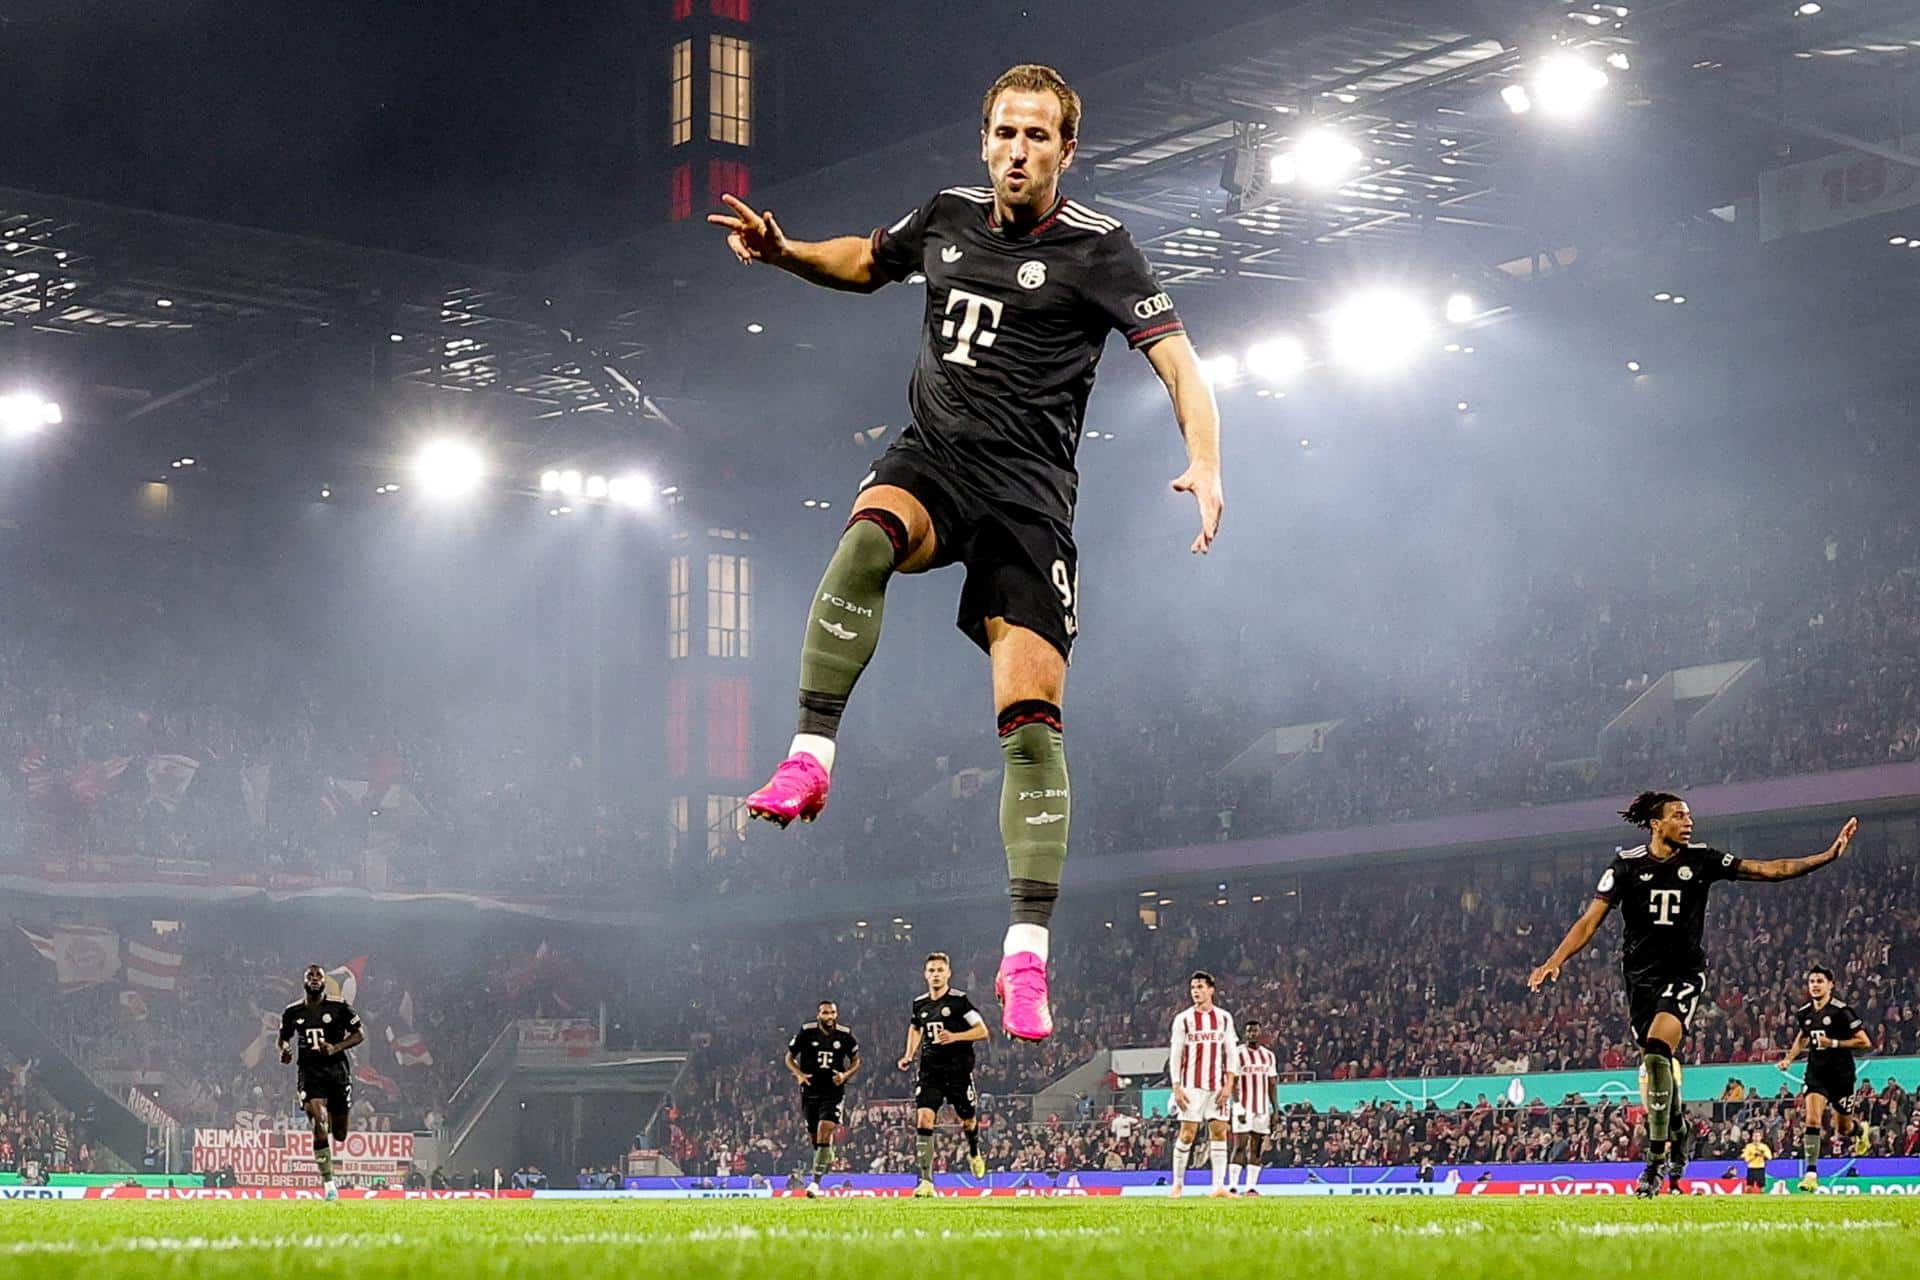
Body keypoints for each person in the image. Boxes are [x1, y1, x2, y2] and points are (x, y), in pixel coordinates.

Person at [708, 63, 1224, 1040]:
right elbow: (867, 260)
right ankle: (809, 755)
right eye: (1005, 133)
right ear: (983, 141)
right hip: (937, 461)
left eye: (1039, 136)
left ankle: (1025, 955)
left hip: (1030, 504)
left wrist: (1205, 461)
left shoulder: (1101, 250)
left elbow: (1178, 362)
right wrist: (782, 253)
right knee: (865, 536)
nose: (1019, 150)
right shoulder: (946, 215)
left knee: (1031, 726)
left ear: (1067, 150)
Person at [1528, 792, 1858, 1197]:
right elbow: (1589, 920)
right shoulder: (1627, 866)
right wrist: (1554, 960)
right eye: (1679, 816)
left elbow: (1769, 869)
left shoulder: (1701, 859)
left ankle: (1653, 1162)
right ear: (1656, 823)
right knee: (1656, 1066)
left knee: (1655, 1050)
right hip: (1640, 980)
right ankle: (1678, 1128)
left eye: (1690, 816)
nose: (1689, 822)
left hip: (1684, 974)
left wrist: (1825, 856)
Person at [897, 952, 990, 1196]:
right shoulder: (920, 1004)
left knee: (968, 1121)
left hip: (958, 1072)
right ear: (925, 975)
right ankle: (927, 1181)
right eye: (932, 971)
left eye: (940, 970)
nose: (936, 974)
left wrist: (956, 1037)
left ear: (948, 973)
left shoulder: (960, 1002)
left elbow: (982, 1031)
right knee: (924, 1120)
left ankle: (973, 1151)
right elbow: (915, 1028)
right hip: (930, 1073)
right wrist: (909, 1054)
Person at [1779, 963, 1873, 1191]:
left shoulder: (1841, 1011)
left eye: (1820, 981)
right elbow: (1803, 1037)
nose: (1815, 985)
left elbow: (1865, 1042)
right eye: (1812, 981)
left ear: (1830, 985)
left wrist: (1833, 1043)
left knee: (1843, 1128)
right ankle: (1811, 1174)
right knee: (1812, 1120)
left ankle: (1861, 1131)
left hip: (1841, 1075)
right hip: (1816, 1073)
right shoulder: (1804, 1013)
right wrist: (1789, 1059)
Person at [278, 963, 365, 1201]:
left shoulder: (339, 1007)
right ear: (304, 981)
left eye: (319, 976)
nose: (315, 979)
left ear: (325, 982)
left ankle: (334, 1132)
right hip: (310, 1072)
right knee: (318, 1120)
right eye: (310, 976)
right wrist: (285, 1051)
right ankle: (329, 1185)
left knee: (339, 1132)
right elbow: (283, 1039)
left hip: (337, 1071)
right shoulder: (292, 1012)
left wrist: (336, 1047)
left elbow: (359, 1034)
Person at [1168, 970, 1239, 1198]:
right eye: (1193, 988)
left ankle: (1218, 1186)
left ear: (1211, 990)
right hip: (1191, 1086)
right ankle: (1178, 1184)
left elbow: (1231, 1053)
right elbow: (1176, 1055)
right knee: (1187, 1134)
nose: (1195, 992)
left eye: (1200, 987)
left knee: (1219, 1131)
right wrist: (1176, 1087)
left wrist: (1229, 1085)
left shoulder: (1224, 1018)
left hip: (1217, 1086)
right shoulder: (1183, 1019)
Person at [785, 1000, 861, 1197]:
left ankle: (815, 1183)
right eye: (826, 1013)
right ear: (819, 1014)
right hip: (810, 1089)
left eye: (833, 1013)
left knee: (824, 1130)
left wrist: (845, 1075)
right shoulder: (807, 1031)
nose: (829, 1017)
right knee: (815, 1138)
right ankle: (826, 1153)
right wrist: (799, 1074)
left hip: (833, 1090)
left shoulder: (844, 1034)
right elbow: (789, 1057)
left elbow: (856, 1060)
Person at [1228, 1019, 1276, 1194]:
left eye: (1255, 1031)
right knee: (1239, 1146)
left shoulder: (1268, 1055)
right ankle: (1232, 1187)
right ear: (1245, 1033)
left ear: (1260, 1033)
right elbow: (1232, 1081)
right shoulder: (1238, 1054)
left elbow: (1272, 1083)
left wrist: (1275, 1109)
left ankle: (1250, 1188)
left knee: (1256, 1148)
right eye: (1249, 1031)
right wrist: (1238, 1106)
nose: (1252, 1034)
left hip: (1262, 1108)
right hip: (1244, 1107)